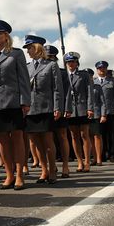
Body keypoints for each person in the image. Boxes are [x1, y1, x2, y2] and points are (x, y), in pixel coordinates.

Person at [0, 20, 30, 190]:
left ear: (6, 36)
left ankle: (19, 174)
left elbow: (24, 80)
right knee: (2, 141)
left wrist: (25, 101)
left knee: (17, 139)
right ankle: (9, 175)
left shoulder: (16, 54)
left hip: (13, 101)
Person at [23, 35, 63, 184]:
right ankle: (44, 170)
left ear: (38, 48)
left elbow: (57, 89)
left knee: (47, 141)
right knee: (35, 141)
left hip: (46, 107)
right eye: (27, 48)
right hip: (30, 109)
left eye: (30, 48)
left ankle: (52, 169)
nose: (28, 51)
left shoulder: (51, 65)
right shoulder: (26, 67)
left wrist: (57, 107)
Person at [63, 52, 94, 172]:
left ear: (77, 63)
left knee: (84, 135)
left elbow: (89, 92)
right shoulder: (64, 76)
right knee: (74, 136)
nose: (71, 64)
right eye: (69, 62)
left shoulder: (84, 75)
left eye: (73, 62)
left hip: (82, 108)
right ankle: (79, 161)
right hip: (70, 110)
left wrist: (90, 108)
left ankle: (87, 161)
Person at [44, 45, 71, 178]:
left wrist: (66, 109)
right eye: (47, 57)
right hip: (45, 108)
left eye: (51, 57)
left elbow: (67, 93)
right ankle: (51, 166)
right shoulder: (40, 70)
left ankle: (65, 165)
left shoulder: (63, 73)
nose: (49, 60)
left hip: (59, 107)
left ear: (55, 58)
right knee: (47, 139)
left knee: (62, 136)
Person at [94, 61, 114, 162]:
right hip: (99, 113)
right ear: (97, 70)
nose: (102, 70)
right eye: (100, 69)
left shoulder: (112, 81)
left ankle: (113, 154)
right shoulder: (94, 82)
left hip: (110, 111)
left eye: (104, 68)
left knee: (112, 134)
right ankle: (102, 154)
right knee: (101, 134)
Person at [86, 68, 106, 166]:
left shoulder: (97, 87)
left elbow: (102, 102)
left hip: (96, 114)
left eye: (89, 75)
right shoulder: (82, 87)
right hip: (85, 115)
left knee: (97, 136)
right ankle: (93, 157)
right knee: (88, 137)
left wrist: (103, 115)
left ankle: (99, 158)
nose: (88, 77)